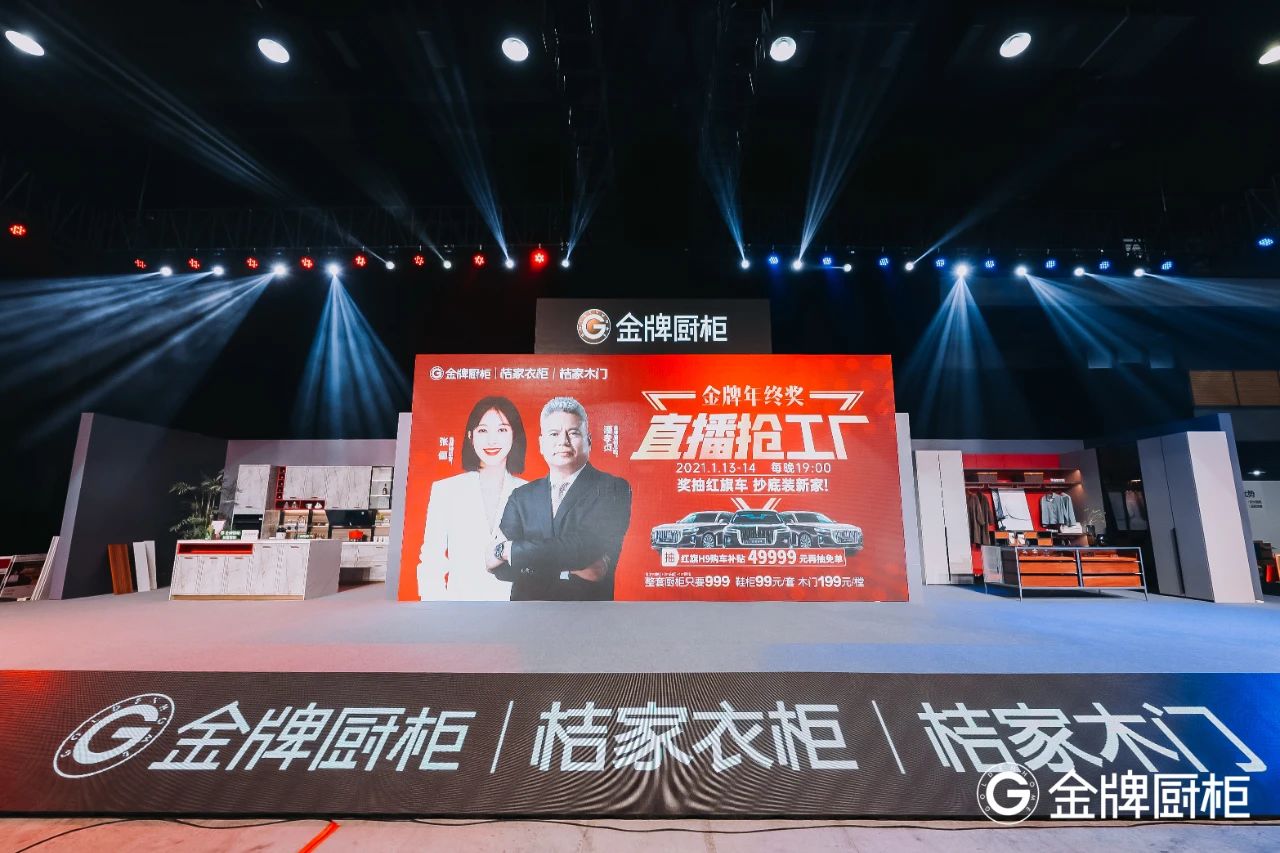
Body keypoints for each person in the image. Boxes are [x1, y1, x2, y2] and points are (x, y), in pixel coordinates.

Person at [488, 396, 632, 601]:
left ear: (589, 441)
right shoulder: (522, 496)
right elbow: (496, 566)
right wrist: (566, 557)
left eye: (573, 433)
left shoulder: (612, 488)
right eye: (554, 434)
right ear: (541, 444)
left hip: (587, 614)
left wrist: (510, 550)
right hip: (526, 613)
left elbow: (595, 567)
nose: (563, 441)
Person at [417, 396, 528, 600]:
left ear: (514, 435)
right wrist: (435, 608)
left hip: (516, 608)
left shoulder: (530, 492)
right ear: (470, 436)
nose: (492, 440)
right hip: (460, 606)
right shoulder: (446, 490)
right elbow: (431, 560)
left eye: (502, 430)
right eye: (483, 430)